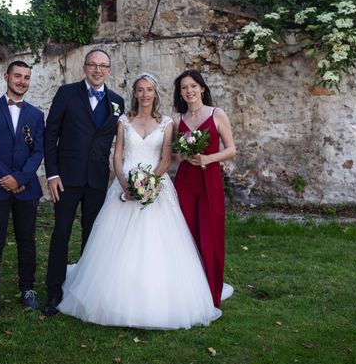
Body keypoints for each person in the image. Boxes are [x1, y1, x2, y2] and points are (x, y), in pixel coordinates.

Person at [57, 73, 218, 329]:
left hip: (156, 187)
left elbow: (166, 159)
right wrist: (127, 184)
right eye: (140, 90)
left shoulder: (166, 123)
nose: (145, 94)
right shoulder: (124, 120)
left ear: (156, 93)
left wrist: (148, 184)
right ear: (135, 93)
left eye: (149, 90)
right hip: (125, 187)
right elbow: (118, 156)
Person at [43, 49, 125, 316]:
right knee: (61, 234)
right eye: (93, 65)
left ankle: (87, 290)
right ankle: (54, 291)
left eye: (103, 66)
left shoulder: (117, 102)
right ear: (85, 67)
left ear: (109, 70)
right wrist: (52, 174)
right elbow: (50, 135)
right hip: (66, 179)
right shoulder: (66, 94)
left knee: (92, 236)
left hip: (97, 180)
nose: (97, 70)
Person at [0, 60, 45, 319]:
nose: (22, 81)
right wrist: (6, 177)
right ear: (6, 77)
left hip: (26, 188)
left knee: (27, 242)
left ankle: (28, 289)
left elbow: (38, 150)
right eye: (18, 76)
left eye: (26, 77)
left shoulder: (37, 115)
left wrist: (21, 178)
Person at [173, 70, 236, 312]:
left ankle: (211, 291)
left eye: (193, 86)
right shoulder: (178, 120)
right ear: (180, 93)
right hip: (186, 181)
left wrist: (208, 159)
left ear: (202, 88)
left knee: (211, 234)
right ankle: (186, 290)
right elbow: (175, 155)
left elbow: (231, 150)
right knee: (185, 235)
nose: (189, 91)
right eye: (184, 88)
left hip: (209, 180)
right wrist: (186, 154)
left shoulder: (217, 114)